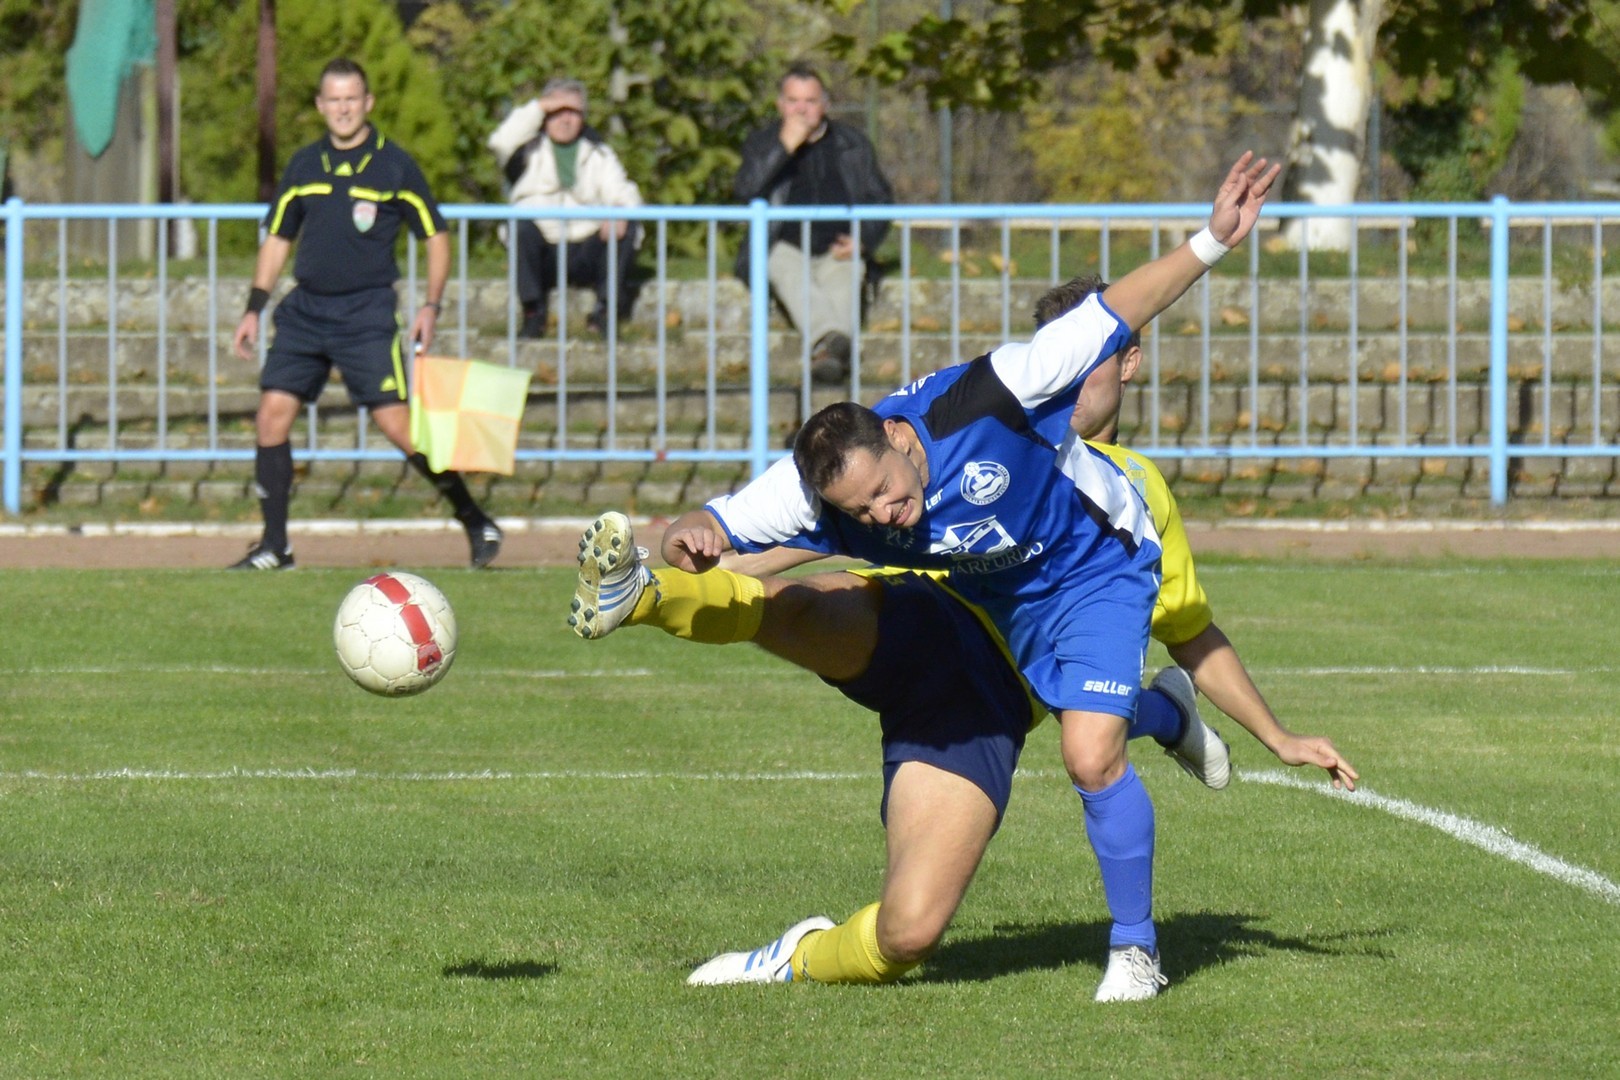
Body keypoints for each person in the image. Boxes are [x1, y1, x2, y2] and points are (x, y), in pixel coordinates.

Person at [578, 153, 1286, 999]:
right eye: (860, 510)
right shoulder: (819, 487)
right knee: (901, 923)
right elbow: (720, 534)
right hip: (955, 624)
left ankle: (1136, 950)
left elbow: (1120, 308)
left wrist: (1213, 239)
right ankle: (796, 950)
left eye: (885, 493)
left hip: (1086, 586)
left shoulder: (999, 394)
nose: (884, 516)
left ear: (897, 438)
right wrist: (680, 542)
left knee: (1088, 751)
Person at [230, 58, 502, 571]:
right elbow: (278, 239)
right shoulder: (304, 166)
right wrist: (253, 308)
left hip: (366, 314)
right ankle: (275, 546)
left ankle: (474, 518)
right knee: (271, 417)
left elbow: (435, 236)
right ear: (320, 106)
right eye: (333, 100)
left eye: (351, 99)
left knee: (398, 427)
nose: (343, 109)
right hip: (306, 312)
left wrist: (431, 305)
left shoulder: (394, 165)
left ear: (368, 102)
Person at [734, 64, 893, 385]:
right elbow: (745, 191)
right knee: (787, 270)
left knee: (848, 277)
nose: (801, 109)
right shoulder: (763, 143)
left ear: (825, 105)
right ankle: (833, 343)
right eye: (793, 101)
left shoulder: (852, 144)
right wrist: (783, 148)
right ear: (780, 105)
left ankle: (827, 352)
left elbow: (880, 199)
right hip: (783, 246)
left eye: (810, 101)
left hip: (839, 249)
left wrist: (862, 240)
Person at [487, 77, 643, 339]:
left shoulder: (600, 153)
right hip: (543, 247)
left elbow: (623, 189)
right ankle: (533, 313)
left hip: (587, 245)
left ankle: (605, 312)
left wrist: (619, 209)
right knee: (519, 227)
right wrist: (540, 106)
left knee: (627, 225)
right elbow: (499, 142)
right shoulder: (525, 150)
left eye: (573, 112)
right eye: (557, 111)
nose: (565, 119)